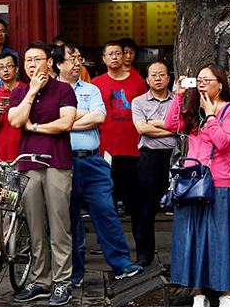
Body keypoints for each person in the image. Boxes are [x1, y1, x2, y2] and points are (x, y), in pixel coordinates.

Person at [163, 64, 230, 307]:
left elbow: (224, 142)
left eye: (207, 80)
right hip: (190, 183)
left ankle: (226, 297)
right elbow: (170, 125)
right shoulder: (193, 111)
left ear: (221, 83)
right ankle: (198, 295)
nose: (202, 84)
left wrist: (210, 116)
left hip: (218, 183)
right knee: (193, 240)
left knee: (220, 241)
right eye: (198, 80)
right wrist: (178, 95)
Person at [56, 43, 141, 287]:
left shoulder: (91, 89)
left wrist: (64, 123)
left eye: (80, 57)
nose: (77, 62)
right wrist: (80, 117)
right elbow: (54, 121)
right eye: (72, 58)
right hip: (63, 162)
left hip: (93, 160)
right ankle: (74, 273)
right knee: (69, 219)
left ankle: (122, 264)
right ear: (58, 64)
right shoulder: (50, 92)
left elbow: (98, 117)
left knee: (106, 211)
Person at [8, 41, 77, 306]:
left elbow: (66, 123)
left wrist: (35, 127)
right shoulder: (20, 92)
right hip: (28, 164)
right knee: (35, 226)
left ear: (50, 62)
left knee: (60, 225)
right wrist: (32, 91)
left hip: (57, 163)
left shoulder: (63, 89)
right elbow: (15, 121)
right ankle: (40, 281)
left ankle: (62, 282)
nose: (32, 65)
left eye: (37, 59)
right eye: (27, 60)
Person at [91, 41, 147, 216]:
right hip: (106, 145)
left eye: (118, 53)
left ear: (124, 57)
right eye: (110, 54)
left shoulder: (137, 80)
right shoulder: (96, 83)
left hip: (133, 146)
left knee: (136, 196)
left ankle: (140, 242)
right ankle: (107, 241)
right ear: (103, 59)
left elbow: (146, 109)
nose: (114, 57)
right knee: (107, 195)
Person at [131, 61, 177, 267]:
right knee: (146, 207)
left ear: (169, 78)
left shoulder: (178, 100)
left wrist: (159, 125)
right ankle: (145, 254)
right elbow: (142, 129)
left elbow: (185, 127)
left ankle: (181, 254)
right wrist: (172, 129)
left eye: (162, 74)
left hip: (176, 158)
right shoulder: (138, 102)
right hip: (150, 158)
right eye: (153, 75)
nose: (158, 78)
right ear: (147, 80)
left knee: (181, 205)